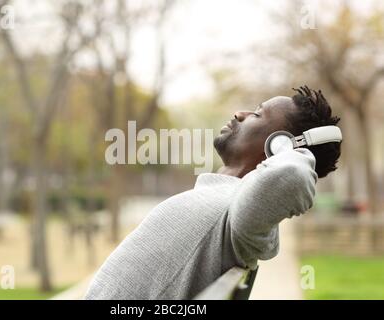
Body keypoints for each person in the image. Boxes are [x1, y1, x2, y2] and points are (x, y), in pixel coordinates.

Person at [84, 85, 341, 300]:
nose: (240, 113)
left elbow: (292, 176)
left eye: (258, 114)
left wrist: (294, 149)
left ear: (278, 145)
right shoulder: (226, 201)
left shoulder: (242, 214)